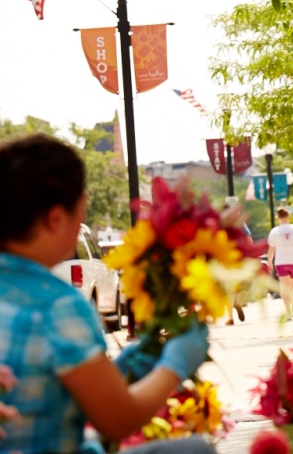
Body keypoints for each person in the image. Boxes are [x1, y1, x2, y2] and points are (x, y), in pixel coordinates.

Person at [0, 134, 212, 453]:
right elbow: (118, 420)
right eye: (80, 210)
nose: (83, 220)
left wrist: (121, 369)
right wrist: (175, 365)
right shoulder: (57, 305)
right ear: (55, 218)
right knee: (193, 450)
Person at [267, 208, 293, 318]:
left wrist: (269, 261)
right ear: (288, 216)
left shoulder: (275, 231)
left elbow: (271, 249)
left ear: (277, 217)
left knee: (285, 287)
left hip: (281, 261)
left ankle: (288, 313)